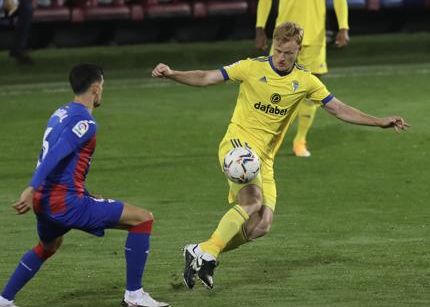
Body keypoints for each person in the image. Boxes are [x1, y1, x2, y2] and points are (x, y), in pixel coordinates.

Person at [152, 22, 408, 290]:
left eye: (289, 52)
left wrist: (379, 122)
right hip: (237, 146)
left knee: (261, 225)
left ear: (299, 50)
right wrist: (172, 73)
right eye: (278, 50)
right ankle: (209, 255)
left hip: (265, 158)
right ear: (273, 44)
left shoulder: (306, 81)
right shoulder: (251, 67)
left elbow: (339, 109)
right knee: (252, 200)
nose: (282, 57)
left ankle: (201, 250)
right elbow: (206, 77)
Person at [0, 63, 170, 307]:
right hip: (63, 202)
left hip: (46, 200)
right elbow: (57, 153)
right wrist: (30, 187)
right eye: (103, 87)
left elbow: (61, 161)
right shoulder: (85, 122)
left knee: (49, 245)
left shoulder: (60, 112)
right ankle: (135, 295)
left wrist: (62, 191)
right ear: (95, 89)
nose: (102, 93)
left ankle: (3, 301)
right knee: (142, 219)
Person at [255, 0, 350, 157]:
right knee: (271, 90)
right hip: (283, 36)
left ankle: (300, 140)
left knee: (311, 93)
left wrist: (343, 26)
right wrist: (260, 28)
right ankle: (266, 139)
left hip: (314, 37)